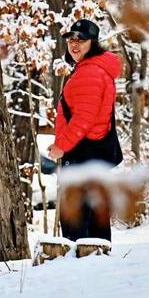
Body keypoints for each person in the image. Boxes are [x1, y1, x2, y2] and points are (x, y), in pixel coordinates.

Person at [47, 19, 123, 242]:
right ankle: (97, 267)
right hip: (96, 152)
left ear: (93, 43)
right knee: (95, 222)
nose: (74, 44)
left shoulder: (89, 73)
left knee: (75, 223)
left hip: (83, 152)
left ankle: (77, 271)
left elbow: (83, 118)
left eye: (81, 40)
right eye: (71, 39)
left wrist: (62, 146)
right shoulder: (96, 70)